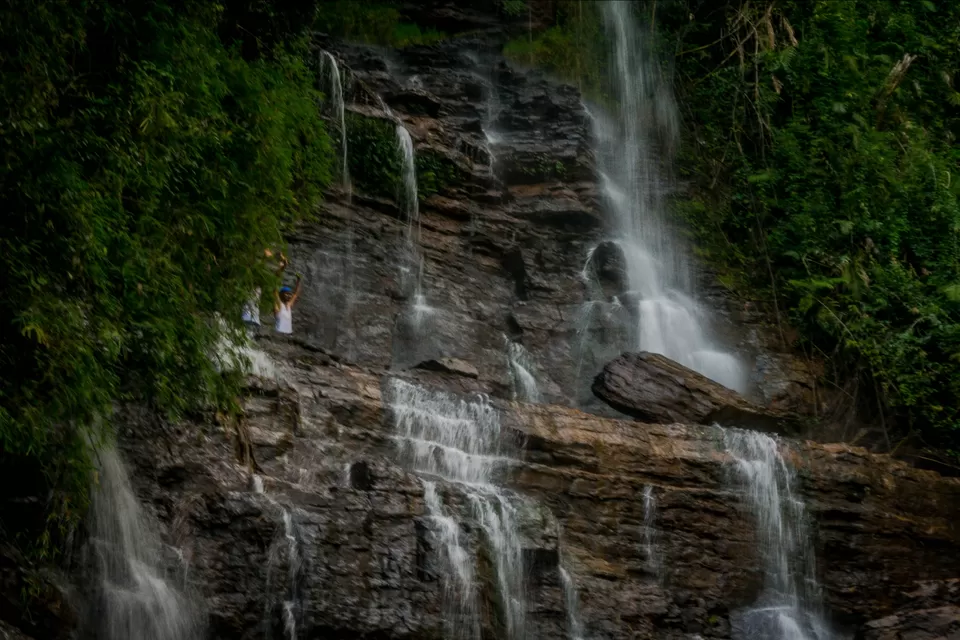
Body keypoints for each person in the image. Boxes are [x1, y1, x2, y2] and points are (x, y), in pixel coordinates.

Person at [242, 249, 287, 336]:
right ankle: (248, 328)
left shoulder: (272, 276)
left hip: (256, 293)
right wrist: (274, 256)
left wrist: (281, 258)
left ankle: (249, 330)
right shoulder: (261, 272)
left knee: (252, 304)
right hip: (253, 291)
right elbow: (263, 264)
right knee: (250, 303)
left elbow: (282, 267)